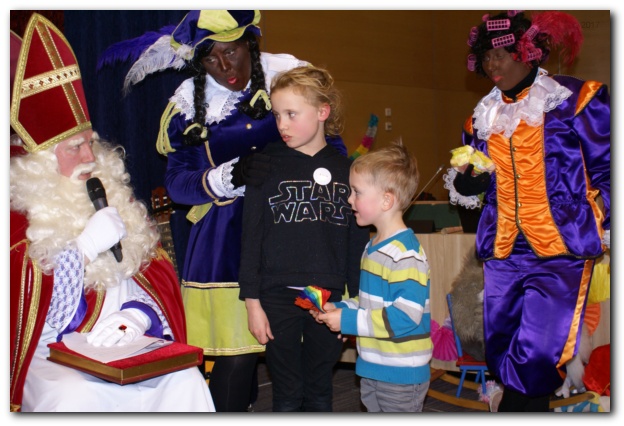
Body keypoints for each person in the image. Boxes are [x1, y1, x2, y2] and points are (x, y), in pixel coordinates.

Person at [98, 10, 348, 412]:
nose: (224, 67)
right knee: (236, 358)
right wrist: (229, 175)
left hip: (296, 232)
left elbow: (333, 153)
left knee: (303, 360)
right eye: (211, 59)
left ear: (250, 44)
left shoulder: (286, 80)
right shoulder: (188, 105)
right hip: (226, 241)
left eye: (230, 52)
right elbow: (177, 183)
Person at [9, 13, 215, 412]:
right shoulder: (18, 219)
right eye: (74, 148)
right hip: (54, 356)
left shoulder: (112, 197)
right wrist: (83, 250)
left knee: (185, 380)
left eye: (90, 142)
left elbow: (152, 279)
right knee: (76, 397)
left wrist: (136, 317)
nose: (90, 157)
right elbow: (28, 316)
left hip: (124, 345)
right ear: (41, 163)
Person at [444, 10, 610, 411]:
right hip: (503, 251)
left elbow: (609, 167)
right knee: (501, 346)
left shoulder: (577, 101)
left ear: (527, 52)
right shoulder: (480, 118)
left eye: (500, 54)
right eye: (485, 57)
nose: (491, 65)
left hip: (560, 247)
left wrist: (603, 218)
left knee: (539, 351)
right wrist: (469, 185)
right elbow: (474, 179)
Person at [238, 66, 370, 412]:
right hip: (276, 294)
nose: (281, 124)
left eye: (291, 114)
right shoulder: (265, 165)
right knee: (286, 391)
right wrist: (252, 304)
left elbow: (356, 242)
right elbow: (251, 238)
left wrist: (356, 304)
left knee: (319, 389)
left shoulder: (346, 171)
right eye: (277, 115)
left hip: (328, 298)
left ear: (322, 112)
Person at [316, 140, 433, 412]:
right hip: (373, 367)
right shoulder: (372, 247)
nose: (349, 199)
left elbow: (405, 317)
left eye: (357, 192)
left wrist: (348, 321)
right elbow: (370, 303)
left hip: (401, 375)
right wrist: (341, 308)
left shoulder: (405, 255)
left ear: (386, 200)